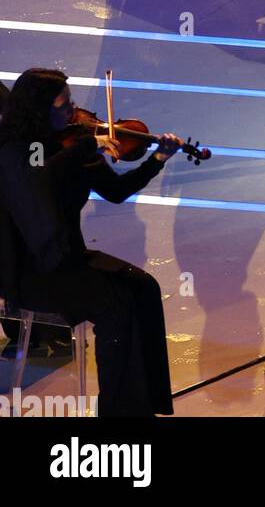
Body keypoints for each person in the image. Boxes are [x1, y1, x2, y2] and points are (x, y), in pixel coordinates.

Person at [0, 68, 179, 417]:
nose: (73, 113)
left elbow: (115, 191)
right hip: (32, 269)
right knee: (113, 306)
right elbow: (37, 178)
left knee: (143, 288)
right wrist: (87, 144)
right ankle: (117, 410)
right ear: (39, 110)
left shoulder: (73, 144)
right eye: (63, 105)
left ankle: (147, 404)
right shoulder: (17, 150)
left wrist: (157, 160)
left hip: (66, 257)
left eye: (71, 103)